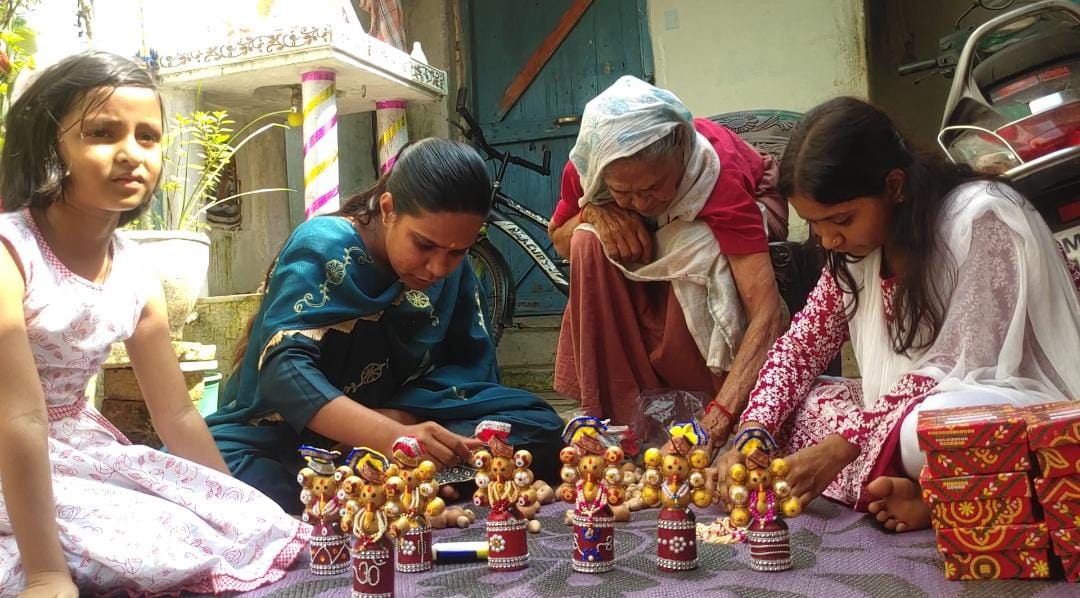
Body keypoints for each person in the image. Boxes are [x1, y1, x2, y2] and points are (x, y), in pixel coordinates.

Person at [0, 51, 306, 597]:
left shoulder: (135, 274)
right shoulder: (10, 255)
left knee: (216, 526)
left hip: (77, 450)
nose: (131, 155)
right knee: (133, 544)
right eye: (102, 132)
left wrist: (234, 508)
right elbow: (20, 420)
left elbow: (179, 414)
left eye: (148, 137)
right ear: (51, 145)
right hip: (12, 451)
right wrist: (47, 573)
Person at [718, 96, 1080, 532]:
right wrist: (754, 430)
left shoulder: (982, 216)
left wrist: (839, 448)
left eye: (841, 219)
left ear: (893, 186)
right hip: (897, 410)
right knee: (805, 405)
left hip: (1012, 403)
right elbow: (799, 348)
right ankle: (935, 488)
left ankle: (936, 491)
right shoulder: (854, 250)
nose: (828, 240)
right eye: (815, 226)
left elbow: (958, 363)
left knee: (922, 431)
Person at [207, 138, 565, 512]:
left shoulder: (447, 272)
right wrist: (389, 436)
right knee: (221, 473)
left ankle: (376, 482)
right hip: (285, 438)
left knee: (538, 424)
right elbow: (285, 372)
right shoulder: (324, 246)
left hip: (397, 419)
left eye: (458, 252)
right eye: (424, 245)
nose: (439, 268)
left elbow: (470, 365)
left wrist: (400, 416)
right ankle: (400, 479)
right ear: (389, 208)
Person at [548, 75, 786, 446]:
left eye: (654, 188)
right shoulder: (588, 167)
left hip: (745, 211)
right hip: (654, 237)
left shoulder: (716, 174)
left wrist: (719, 419)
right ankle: (621, 418)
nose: (642, 204)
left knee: (700, 242)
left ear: (680, 147)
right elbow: (560, 239)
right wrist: (593, 213)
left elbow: (767, 313)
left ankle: (708, 396)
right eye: (624, 192)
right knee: (586, 241)